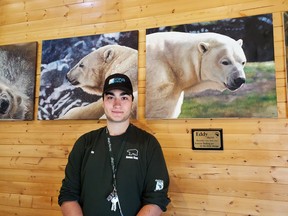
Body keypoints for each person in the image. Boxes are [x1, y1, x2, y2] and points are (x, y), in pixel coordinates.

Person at [58, 73, 170, 216]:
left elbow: (156, 199)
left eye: (124, 97)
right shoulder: (84, 143)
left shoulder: (148, 144)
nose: (117, 104)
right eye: (111, 97)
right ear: (103, 101)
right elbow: (68, 194)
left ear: (131, 101)